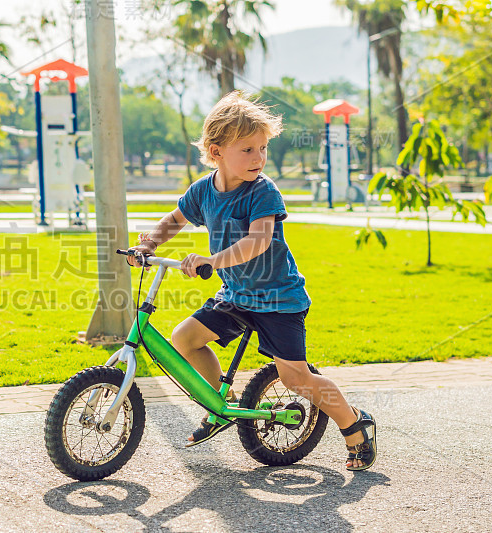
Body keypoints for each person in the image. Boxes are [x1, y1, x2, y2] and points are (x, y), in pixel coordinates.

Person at [126, 91, 377, 471]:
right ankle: (219, 405)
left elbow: (258, 241)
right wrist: (146, 245)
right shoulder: (203, 191)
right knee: (185, 339)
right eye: (247, 150)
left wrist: (212, 260)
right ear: (216, 152)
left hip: (279, 298)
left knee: (296, 379)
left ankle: (355, 426)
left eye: (262, 148)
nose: (259, 158)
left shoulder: (262, 191)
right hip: (237, 294)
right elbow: (174, 221)